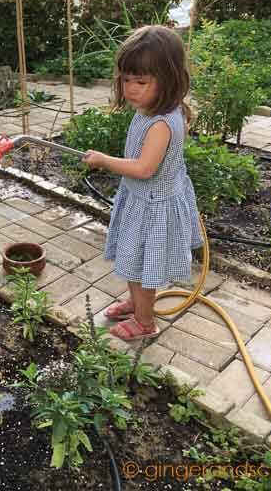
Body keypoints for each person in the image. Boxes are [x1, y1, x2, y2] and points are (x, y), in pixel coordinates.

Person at [82, 25, 202, 341]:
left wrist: (104, 160)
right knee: (132, 257)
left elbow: (145, 168)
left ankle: (145, 322)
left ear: (169, 80)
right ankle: (137, 304)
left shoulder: (162, 123)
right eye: (126, 80)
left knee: (141, 265)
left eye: (141, 82)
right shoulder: (152, 109)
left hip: (151, 206)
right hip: (141, 200)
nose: (131, 89)